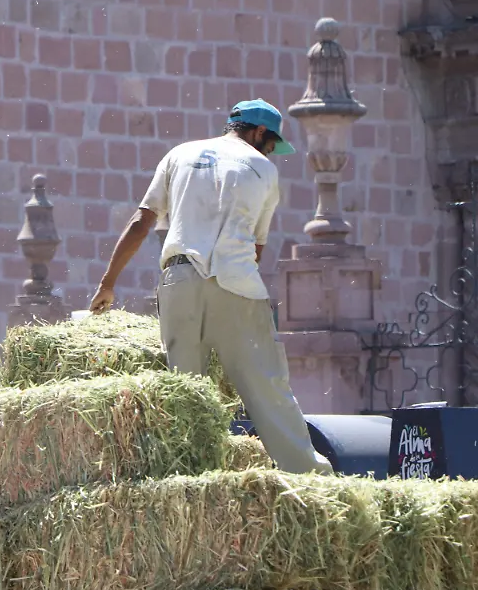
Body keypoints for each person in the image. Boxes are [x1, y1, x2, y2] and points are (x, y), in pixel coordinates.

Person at [88, 99, 334, 475]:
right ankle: (311, 476)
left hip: (179, 281)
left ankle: (186, 479)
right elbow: (256, 249)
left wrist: (108, 283)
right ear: (259, 132)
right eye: (271, 144)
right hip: (236, 282)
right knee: (267, 387)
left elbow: (141, 222)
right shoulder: (264, 170)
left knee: (185, 393)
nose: (270, 152)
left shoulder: (179, 154)